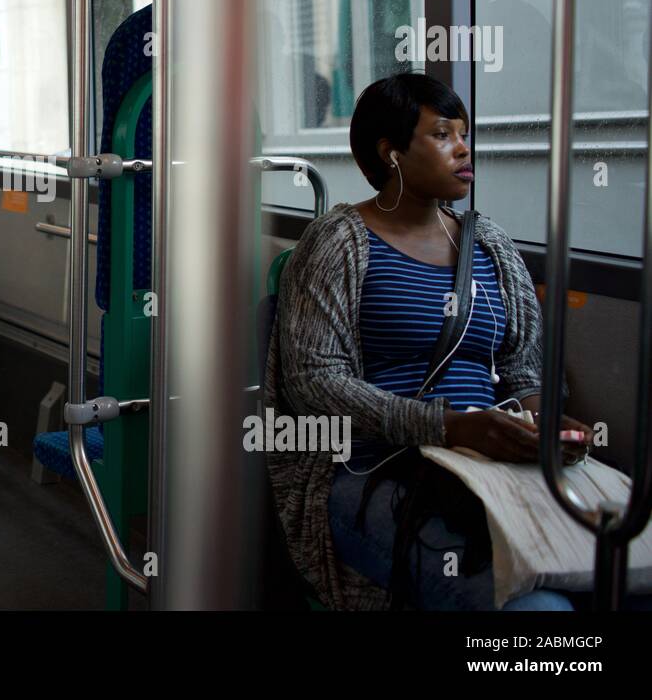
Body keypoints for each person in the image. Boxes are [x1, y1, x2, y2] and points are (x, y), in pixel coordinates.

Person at [264, 73, 628, 611]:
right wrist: (447, 425)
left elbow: (523, 369)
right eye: (441, 134)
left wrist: (542, 422)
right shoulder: (339, 242)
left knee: (618, 576)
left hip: (491, 467)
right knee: (537, 611)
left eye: (464, 132)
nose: (463, 148)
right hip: (374, 471)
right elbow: (314, 384)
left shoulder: (492, 245)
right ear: (391, 155)